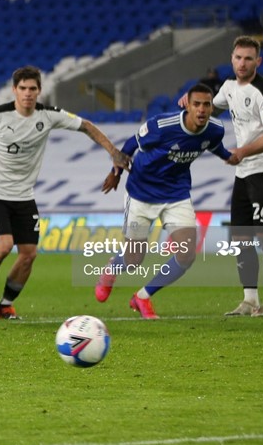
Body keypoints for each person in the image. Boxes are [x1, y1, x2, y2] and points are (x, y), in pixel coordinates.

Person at [0, 65, 130, 320]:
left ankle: (5, 305)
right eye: (23, 89)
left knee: (29, 254)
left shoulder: (48, 115)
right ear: (14, 90)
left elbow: (86, 125)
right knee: (4, 246)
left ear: (39, 91)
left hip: (24, 194)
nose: (28, 93)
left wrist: (113, 152)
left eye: (32, 89)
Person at [95, 84, 232, 318]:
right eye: (196, 104)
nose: (201, 110)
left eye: (206, 105)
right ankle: (113, 266)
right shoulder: (162, 125)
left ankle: (142, 297)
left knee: (187, 255)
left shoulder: (215, 130)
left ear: (212, 107)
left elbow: (214, 146)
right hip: (141, 193)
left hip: (176, 195)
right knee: (134, 259)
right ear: (186, 105)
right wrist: (115, 172)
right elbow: (131, 144)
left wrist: (233, 157)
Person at [179, 35, 263, 317]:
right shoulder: (228, 87)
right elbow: (213, 105)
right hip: (243, 172)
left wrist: (243, 150)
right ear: (232, 59)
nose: (242, 63)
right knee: (240, 237)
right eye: (238, 58)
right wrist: (193, 103)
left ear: (258, 61)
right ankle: (249, 300)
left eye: (248, 58)